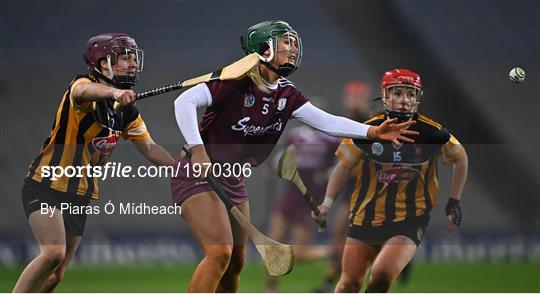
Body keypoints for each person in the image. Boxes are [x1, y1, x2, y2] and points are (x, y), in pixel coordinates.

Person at [172, 21, 418, 292]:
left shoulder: (286, 93)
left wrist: (372, 131)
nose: (292, 49)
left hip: (232, 178)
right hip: (197, 173)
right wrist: (197, 149)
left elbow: (325, 121)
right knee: (220, 253)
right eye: (285, 43)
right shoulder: (233, 82)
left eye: (293, 43)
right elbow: (183, 102)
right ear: (264, 49)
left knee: (234, 267)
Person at [14, 33, 175, 292]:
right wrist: (115, 92)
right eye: (125, 58)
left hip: (80, 195)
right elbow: (84, 90)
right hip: (45, 185)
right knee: (53, 253)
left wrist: (181, 169)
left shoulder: (126, 111)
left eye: (134, 57)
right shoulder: (81, 87)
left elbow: (150, 148)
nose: (133, 63)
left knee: (55, 276)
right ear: (103, 64)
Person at [313, 69, 468, 292]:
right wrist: (327, 203)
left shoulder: (432, 133)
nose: (405, 100)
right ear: (385, 95)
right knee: (349, 284)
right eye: (398, 93)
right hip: (365, 217)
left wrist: (454, 200)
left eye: (411, 94)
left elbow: (460, 158)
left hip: (410, 219)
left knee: (383, 273)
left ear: (418, 97)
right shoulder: (367, 130)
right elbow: (342, 168)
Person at [264, 124, 339, 292]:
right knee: (272, 243)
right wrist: (277, 163)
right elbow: (276, 159)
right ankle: (270, 289)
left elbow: (340, 163)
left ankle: (333, 251)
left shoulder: (330, 139)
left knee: (298, 253)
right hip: (291, 195)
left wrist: (327, 174)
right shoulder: (295, 134)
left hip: (310, 200)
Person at [316, 80, 373, 292]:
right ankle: (330, 281)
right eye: (352, 96)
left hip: (367, 189)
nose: (355, 100)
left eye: (359, 96)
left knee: (356, 238)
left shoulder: (370, 124)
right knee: (339, 234)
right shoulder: (343, 123)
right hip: (349, 189)